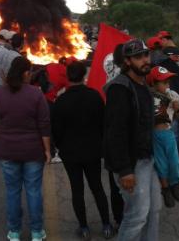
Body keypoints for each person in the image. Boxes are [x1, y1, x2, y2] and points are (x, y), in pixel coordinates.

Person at [0, 56, 50, 241]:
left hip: (8, 151)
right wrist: (47, 151)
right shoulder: (36, 94)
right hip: (33, 152)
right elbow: (44, 125)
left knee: (13, 192)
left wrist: (3, 118)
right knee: (34, 191)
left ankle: (14, 232)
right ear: (25, 73)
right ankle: (37, 232)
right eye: (29, 72)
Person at [104, 39, 161, 241]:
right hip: (132, 163)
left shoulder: (143, 84)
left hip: (147, 158)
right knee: (136, 216)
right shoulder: (119, 89)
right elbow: (115, 132)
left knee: (153, 211)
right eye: (138, 57)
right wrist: (125, 170)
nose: (145, 60)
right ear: (127, 61)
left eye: (146, 55)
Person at [52, 61, 115, 240]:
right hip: (93, 150)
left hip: (70, 153)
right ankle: (106, 225)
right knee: (97, 187)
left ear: (68, 76)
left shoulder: (61, 101)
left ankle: (84, 228)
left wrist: (61, 146)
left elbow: (56, 129)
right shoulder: (94, 96)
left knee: (77, 189)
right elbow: (104, 123)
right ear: (83, 75)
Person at [146, 66, 179, 208]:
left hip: (168, 133)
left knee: (174, 161)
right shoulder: (147, 95)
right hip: (154, 134)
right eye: (164, 82)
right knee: (161, 163)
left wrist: (178, 108)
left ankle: (175, 184)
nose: (167, 85)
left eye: (168, 82)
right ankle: (165, 189)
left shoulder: (172, 95)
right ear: (154, 83)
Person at [157, 30, 179, 158]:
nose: (160, 44)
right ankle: (177, 162)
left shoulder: (160, 55)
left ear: (165, 39)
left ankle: (167, 161)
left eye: (160, 41)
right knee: (178, 131)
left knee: (164, 129)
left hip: (164, 95)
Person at [44, 57, 70, 164]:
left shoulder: (49, 66)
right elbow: (69, 91)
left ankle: (47, 150)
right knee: (52, 126)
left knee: (45, 125)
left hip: (40, 97)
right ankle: (54, 153)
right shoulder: (65, 72)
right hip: (50, 100)